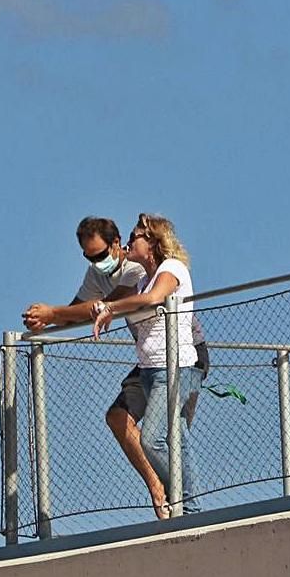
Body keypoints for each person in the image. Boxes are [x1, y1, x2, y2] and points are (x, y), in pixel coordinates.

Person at [23, 216, 209, 519]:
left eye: (100, 255)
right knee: (125, 419)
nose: (96, 262)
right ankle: (166, 492)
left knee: (160, 437)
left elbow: (126, 301)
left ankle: (184, 502)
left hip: (184, 357)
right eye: (88, 257)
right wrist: (50, 320)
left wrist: (58, 312)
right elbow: (82, 310)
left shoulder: (143, 270)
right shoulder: (118, 274)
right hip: (150, 363)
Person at [91, 215, 202, 516]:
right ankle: (190, 508)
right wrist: (109, 309)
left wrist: (112, 307)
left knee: (153, 440)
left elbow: (153, 299)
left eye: (136, 235)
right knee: (176, 438)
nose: (129, 241)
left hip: (177, 368)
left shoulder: (171, 269)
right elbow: (136, 299)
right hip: (151, 371)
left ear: (153, 241)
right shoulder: (141, 280)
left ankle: (183, 500)